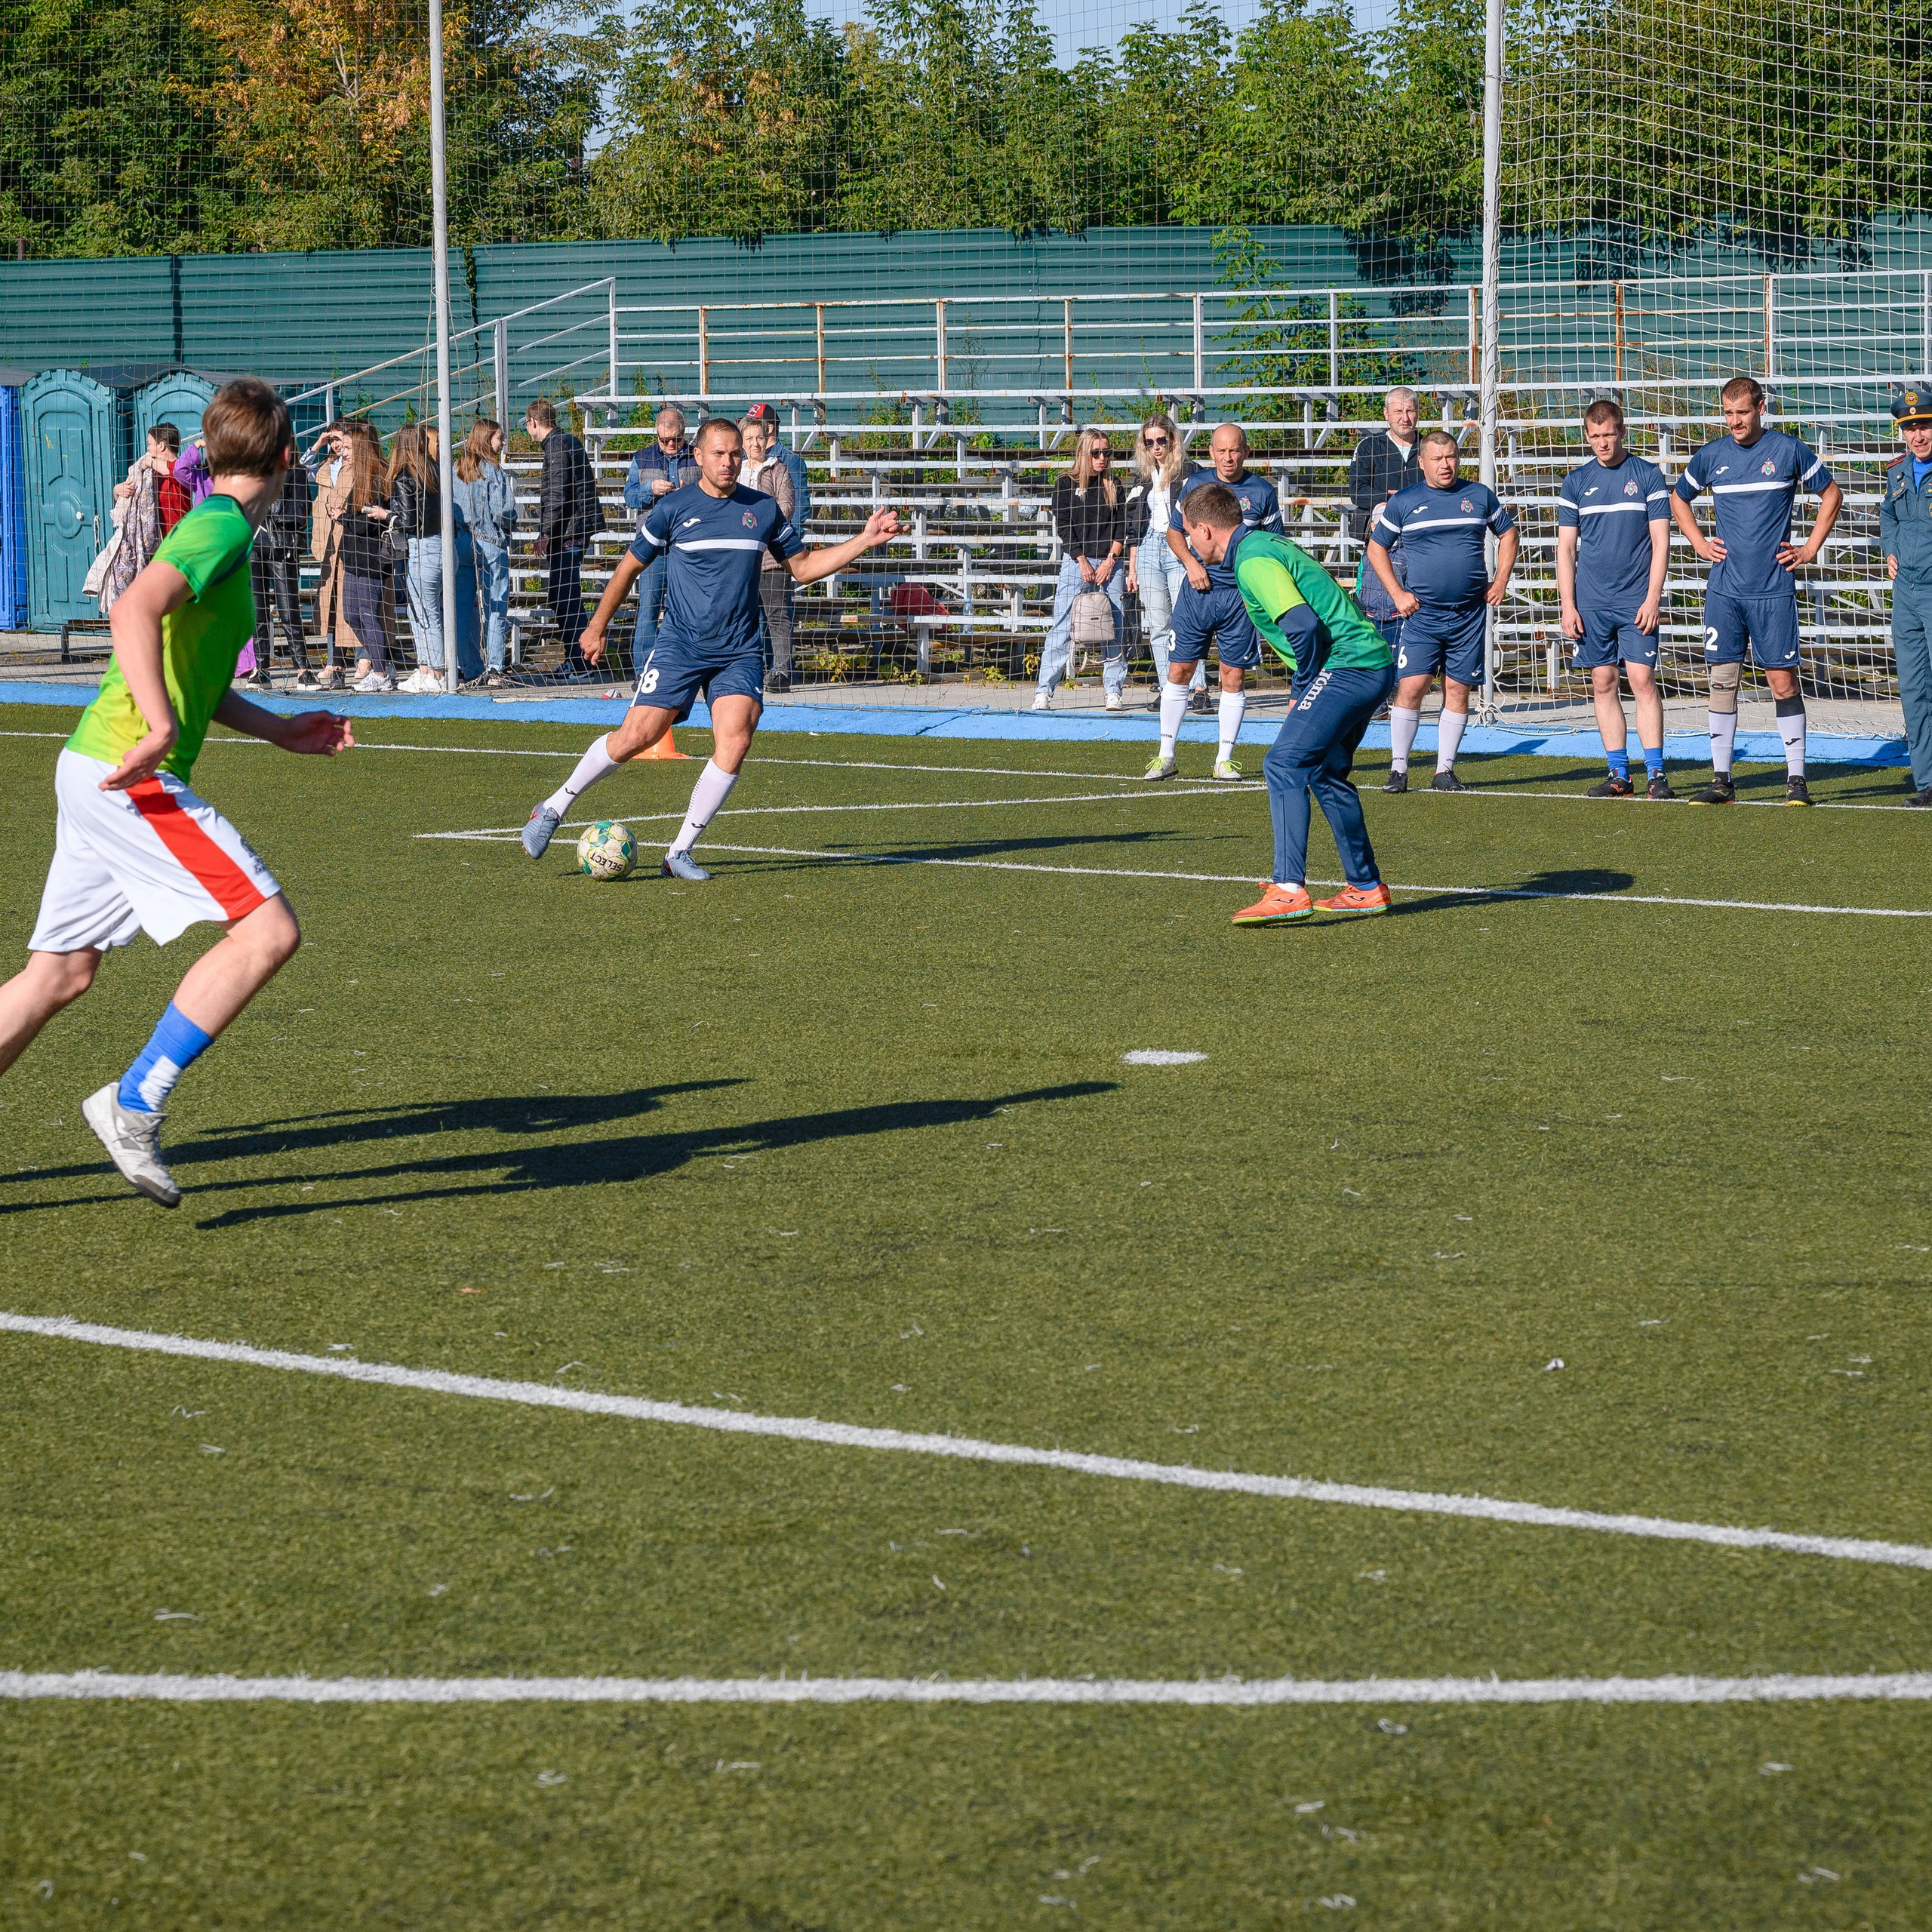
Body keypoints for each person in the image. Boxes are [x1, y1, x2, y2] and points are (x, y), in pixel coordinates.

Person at [0, 377, 353, 1208]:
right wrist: (158, 731)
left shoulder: (219, 527)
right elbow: (132, 609)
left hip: (97, 763)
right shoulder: (222, 525)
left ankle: (129, 1103)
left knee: (59, 975)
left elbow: (181, 663)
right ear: (285, 457)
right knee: (268, 930)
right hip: (128, 770)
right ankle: (131, 1104)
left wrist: (276, 728)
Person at [517, 417, 900, 881]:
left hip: (738, 649)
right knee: (634, 738)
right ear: (697, 456)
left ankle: (679, 852)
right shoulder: (673, 509)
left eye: (736, 453)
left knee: (737, 738)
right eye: (718, 453)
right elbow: (627, 569)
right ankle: (553, 809)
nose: (728, 462)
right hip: (680, 645)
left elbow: (801, 568)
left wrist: (864, 539)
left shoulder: (761, 510)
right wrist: (596, 627)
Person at [1172, 485, 1397, 924]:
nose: (1189, 544)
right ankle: (1367, 887)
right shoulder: (1260, 545)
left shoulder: (1253, 561)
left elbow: (1303, 626)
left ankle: (1289, 889)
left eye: (1189, 535)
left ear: (1204, 530)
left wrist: (1304, 683)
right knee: (1324, 772)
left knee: (1282, 764)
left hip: (1347, 665)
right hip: (1371, 663)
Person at [1672, 376, 1843, 805]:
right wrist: (1697, 542)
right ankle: (1722, 781)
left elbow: (1832, 495)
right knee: (1722, 681)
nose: (1735, 421)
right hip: (1725, 591)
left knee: (1782, 681)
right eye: (1728, 414)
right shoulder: (1711, 456)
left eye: (1742, 412)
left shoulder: (1788, 450)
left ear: (1760, 408)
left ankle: (1797, 782)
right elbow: (1678, 499)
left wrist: (1809, 548)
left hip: (1773, 590)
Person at [1366, 429, 1518, 792]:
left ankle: (1444, 771)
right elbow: (1376, 549)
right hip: (1423, 615)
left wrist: (1500, 582)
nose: (1445, 465)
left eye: (1451, 457)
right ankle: (1399, 770)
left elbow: (1509, 535)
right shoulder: (1404, 501)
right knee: (1413, 686)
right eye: (1437, 459)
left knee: (1458, 689)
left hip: (1468, 615)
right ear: (1422, 463)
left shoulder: (1479, 495)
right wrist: (1398, 593)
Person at [1555, 398, 1673, 799]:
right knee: (1603, 682)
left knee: (1642, 679)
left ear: (1622, 432)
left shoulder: (1647, 475)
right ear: (1586, 436)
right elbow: (1566, 549)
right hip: (1591, 603)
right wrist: (1568, 605)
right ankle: (1619, 774)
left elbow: (1661, 541)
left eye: (1609, 435)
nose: (1602, 443)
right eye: (1595, 436)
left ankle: (1657, 774)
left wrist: (1653, 597)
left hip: (1636, 600)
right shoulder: (1575, 482)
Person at [1153, 422, 1281, 776]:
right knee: (1179, 670)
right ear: (1211, 452)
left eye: (1235, 450)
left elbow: (1274, 546)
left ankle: (1224, 760)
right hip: (1196, 594)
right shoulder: (1196, 485)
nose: (1228, 457)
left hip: (1239, 599)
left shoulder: (1263, 492)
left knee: (1233, 676)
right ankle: (1166, 756)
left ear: (1246, 452)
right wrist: (1191, 563)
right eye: (1221, 450)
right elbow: (1174, 533)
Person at [1032, 426, 1127, 712]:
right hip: (1077, 563)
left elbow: (1122, 526)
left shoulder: (1115, 485)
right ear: (1083, 454)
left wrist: (1111, 560)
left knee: (1115, 627)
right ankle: (1044, 691)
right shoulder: (1064, 484)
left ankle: (1113, 692)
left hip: (1111, 563)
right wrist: (1081, 559)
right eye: (1096, 453)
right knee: (1062, 626)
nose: (1102, 458)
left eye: (1106, 453)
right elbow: (1064, 526)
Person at [1880, 386, 1932, 808]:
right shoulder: (1897, 472)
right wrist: (1891, 549)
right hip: (1906, 594)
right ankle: (1927, 780)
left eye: (1925, 424)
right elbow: (1887, 515)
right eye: (1911, 427)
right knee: (1914, 689)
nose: (1919, 434)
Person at [528, 397, 600, 681]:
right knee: (562, 597)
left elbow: (556, 495)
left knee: (566, 598)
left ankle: (582, 664)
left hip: (568, 533)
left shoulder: (557, 447)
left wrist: (545, 533)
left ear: (533, 422)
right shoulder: (566, 441)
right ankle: (575, 658)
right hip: (571, 530)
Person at [1348, 388, 1423, 652]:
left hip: (1419, 545)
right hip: (1380, 545)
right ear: (1386, 414)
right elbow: (1356, 491)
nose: (1405, 417)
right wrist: (1389, 498)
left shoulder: (1427, 447)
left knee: (1416, 609)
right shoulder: (1369, 446)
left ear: (1418, 413)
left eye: (1410, 411)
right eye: (1398, 411)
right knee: (1376, 612)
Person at [624, 405, 699, 668]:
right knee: (649, 608)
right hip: (652, 546)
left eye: (676, 439)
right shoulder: (642, 458)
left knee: (688, 609)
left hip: (689, 544)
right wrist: (650, 489)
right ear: (656, 434)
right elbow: (629, 497)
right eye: (664, 439)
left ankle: (684, 666)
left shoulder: (697, 456)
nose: (670, 444)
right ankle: (643, 669)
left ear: (685, 434)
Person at [1124, 413, 1192, 691]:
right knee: (1157, 624)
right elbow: (1133, 526)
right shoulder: (1142, 476)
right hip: (1149, 545)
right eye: (1149, 442)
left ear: (1172, 439)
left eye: (1161, 440)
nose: (1156, 447)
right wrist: (1132, 567)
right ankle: (1168, 687)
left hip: (1179, 543)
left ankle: (1196, 687)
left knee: (1185, 621)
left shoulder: (1189, 471)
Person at [454, 419, 518, 689]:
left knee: (462, 607)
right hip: (489, 541)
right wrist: (515, 518)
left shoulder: (455, 468)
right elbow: (502, 511)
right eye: (500, 438)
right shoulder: (494, 470)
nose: (504, 443)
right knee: (496, 605)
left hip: (460, 542)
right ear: (486, 439)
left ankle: (467, 666)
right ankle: (494, 667)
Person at [739, 407, 799, 691]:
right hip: (741, 557)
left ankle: (782, 671)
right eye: (749, 438)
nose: (755, 444)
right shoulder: (735, 472)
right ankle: (752, 669)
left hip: (772, 556)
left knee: (777, 615)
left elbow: (786, 507)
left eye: (759, 438)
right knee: (746, 616)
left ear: (767, 438)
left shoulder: (779, 469)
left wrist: (758, 521)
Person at [243, 448, 314, 691]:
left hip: (282, 547)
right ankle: (261, 668)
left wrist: (269, 516)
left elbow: (301, 512)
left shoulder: (296, 473)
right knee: (258, 610)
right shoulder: (251, 473)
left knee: (288, 609)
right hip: (254, 546)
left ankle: (303, 669)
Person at [339, 423, 398, 691]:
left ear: (362, 449)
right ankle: (381, 660)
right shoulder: (358, 479)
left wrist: (343, 517)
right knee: (351, 615)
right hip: (353, 559)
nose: (343, 452)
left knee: (367, 613)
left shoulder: (377, 479)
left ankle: (380, 670)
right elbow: (358, 518)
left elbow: (367, 523)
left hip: (371, 560)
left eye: (349, 448)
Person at [303, 420, 353, 689]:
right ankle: (334, 661)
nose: (335, 445)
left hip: (348, 541)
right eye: (332, 441)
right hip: (326, 546)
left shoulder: (356, 466)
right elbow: (302, 466)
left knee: (351, 602)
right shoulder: (325, 467)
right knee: (329, 603)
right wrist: (319, 443)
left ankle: (362, 659)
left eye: (339, 439)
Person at [149, 423, 190, 535]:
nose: (148, 449)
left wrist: (151, 461)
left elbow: (175, 472)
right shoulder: (152, 472)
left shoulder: (183, 469)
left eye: (150, 444)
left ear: (161, 446)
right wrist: (117, 491)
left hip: (178, 538)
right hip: (155, 543)